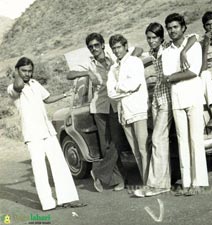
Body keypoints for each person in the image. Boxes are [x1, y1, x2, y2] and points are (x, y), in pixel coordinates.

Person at [7, 57, 86, 211]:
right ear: (17, 71)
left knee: (60, 165)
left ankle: (68, 199)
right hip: (32, 135)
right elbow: (18, 85)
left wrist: (65, 94)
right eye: (24, 70)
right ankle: (48, 203)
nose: (27, 74)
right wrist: (17, 74)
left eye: (30, 71)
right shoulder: (13, 87)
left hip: (47, 131)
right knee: (40, 169)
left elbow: (47, 98)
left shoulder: (35, 84)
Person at [133, 23, 199, 197]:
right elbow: (137, 51)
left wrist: (185, 51)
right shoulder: (152, 54)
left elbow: (194, 36)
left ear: (162, 38)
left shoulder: (168, 49)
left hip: (170, 99)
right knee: (161, 141)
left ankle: (157, 185)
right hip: (157, 99)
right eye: (149, 37)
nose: (151, 41)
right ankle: (163, 183)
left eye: (155, 37)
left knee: (157, 138)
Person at [67, 33, 126, 192]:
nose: (94, 49)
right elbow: (69, 74)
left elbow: (139, 50)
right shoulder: (89, 64)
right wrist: (86, 73)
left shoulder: (113, 57)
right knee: (107, 145)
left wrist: (126, 59)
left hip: (117, 105)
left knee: (117, 142)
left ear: (102, 45)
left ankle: (98, 172)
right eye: (90, 47)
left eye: (96, 45)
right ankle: (118, 180)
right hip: (100, 108)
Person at [161, 13, 209, 196]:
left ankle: (199, 182)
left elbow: (194, 71)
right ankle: (187, 182)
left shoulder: (193, 46)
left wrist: (175, 76)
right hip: (177, 100)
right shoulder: (166, 52)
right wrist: (176, 75)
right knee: (182, 141)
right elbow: (167, 76)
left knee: (196, 140)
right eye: (169, 28)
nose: (172, 31)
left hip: (194, 97)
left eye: (175, 27)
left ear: (183, 28)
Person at [107, 34, 150, 185]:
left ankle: (152, 182)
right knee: (136, 151)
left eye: (119, 47)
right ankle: (146, 182)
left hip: (138, 109)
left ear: (126, 46)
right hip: (124, 112)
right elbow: (110, 93)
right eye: (114, 49)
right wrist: (125, 89)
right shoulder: (113, 68)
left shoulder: (134, 61)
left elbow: (136, 83)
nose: (117, 51)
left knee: (144, 149)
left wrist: (119, 86)